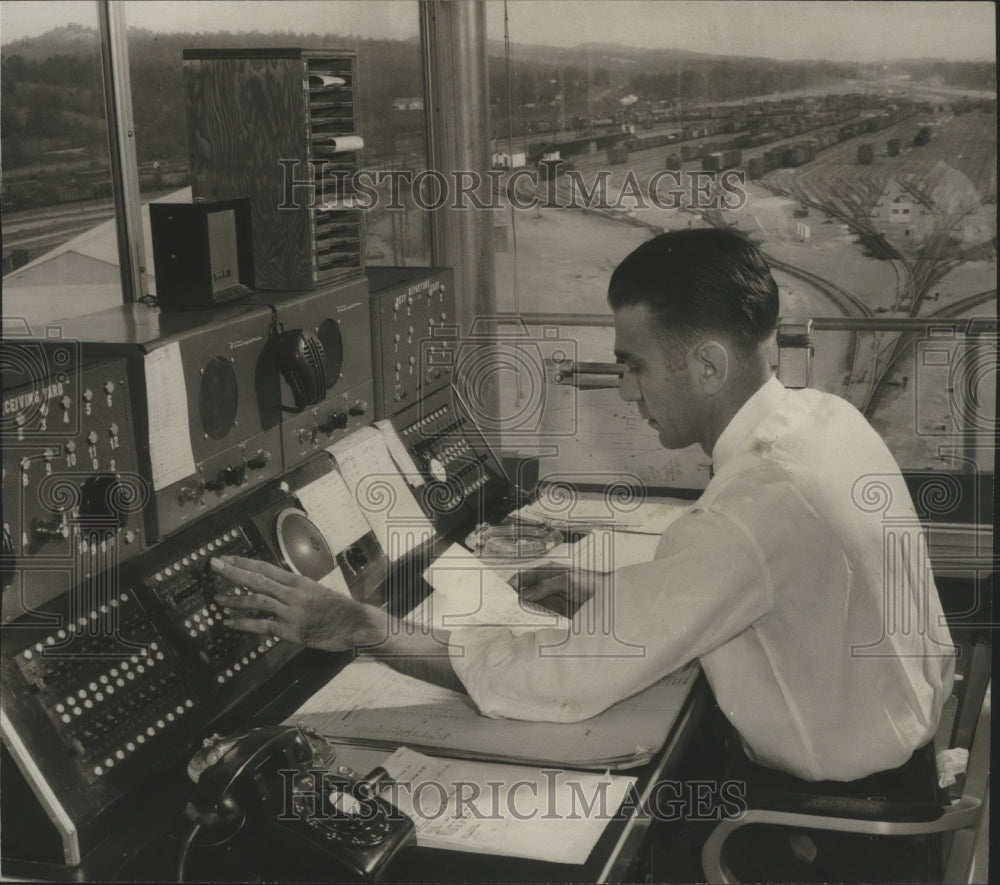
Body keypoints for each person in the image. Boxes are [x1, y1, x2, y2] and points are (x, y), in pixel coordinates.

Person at [212, 227, 954, 784]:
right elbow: (773, 596)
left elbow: (560, 682)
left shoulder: (751, 510)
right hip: (899, 751)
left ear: (706, 363)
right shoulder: (824, 418)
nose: (628, 393)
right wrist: (610, 597)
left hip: (821, 824)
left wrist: (362, 626)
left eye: (633, 366)